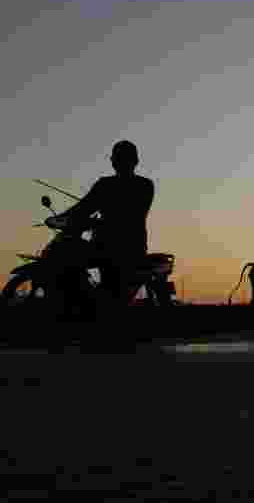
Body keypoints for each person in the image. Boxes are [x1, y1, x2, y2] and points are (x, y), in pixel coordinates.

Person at [47, 140, 155, 351]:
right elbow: (91, 209)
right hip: (134, 247)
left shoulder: (106, 185)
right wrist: (86, 218)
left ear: (114, 161)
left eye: (117, 158)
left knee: (71, 257)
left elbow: (83, 208)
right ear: (136, 161)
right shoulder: (146, 185)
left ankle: (84, 315)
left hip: (110, 248)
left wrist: (61, 219)